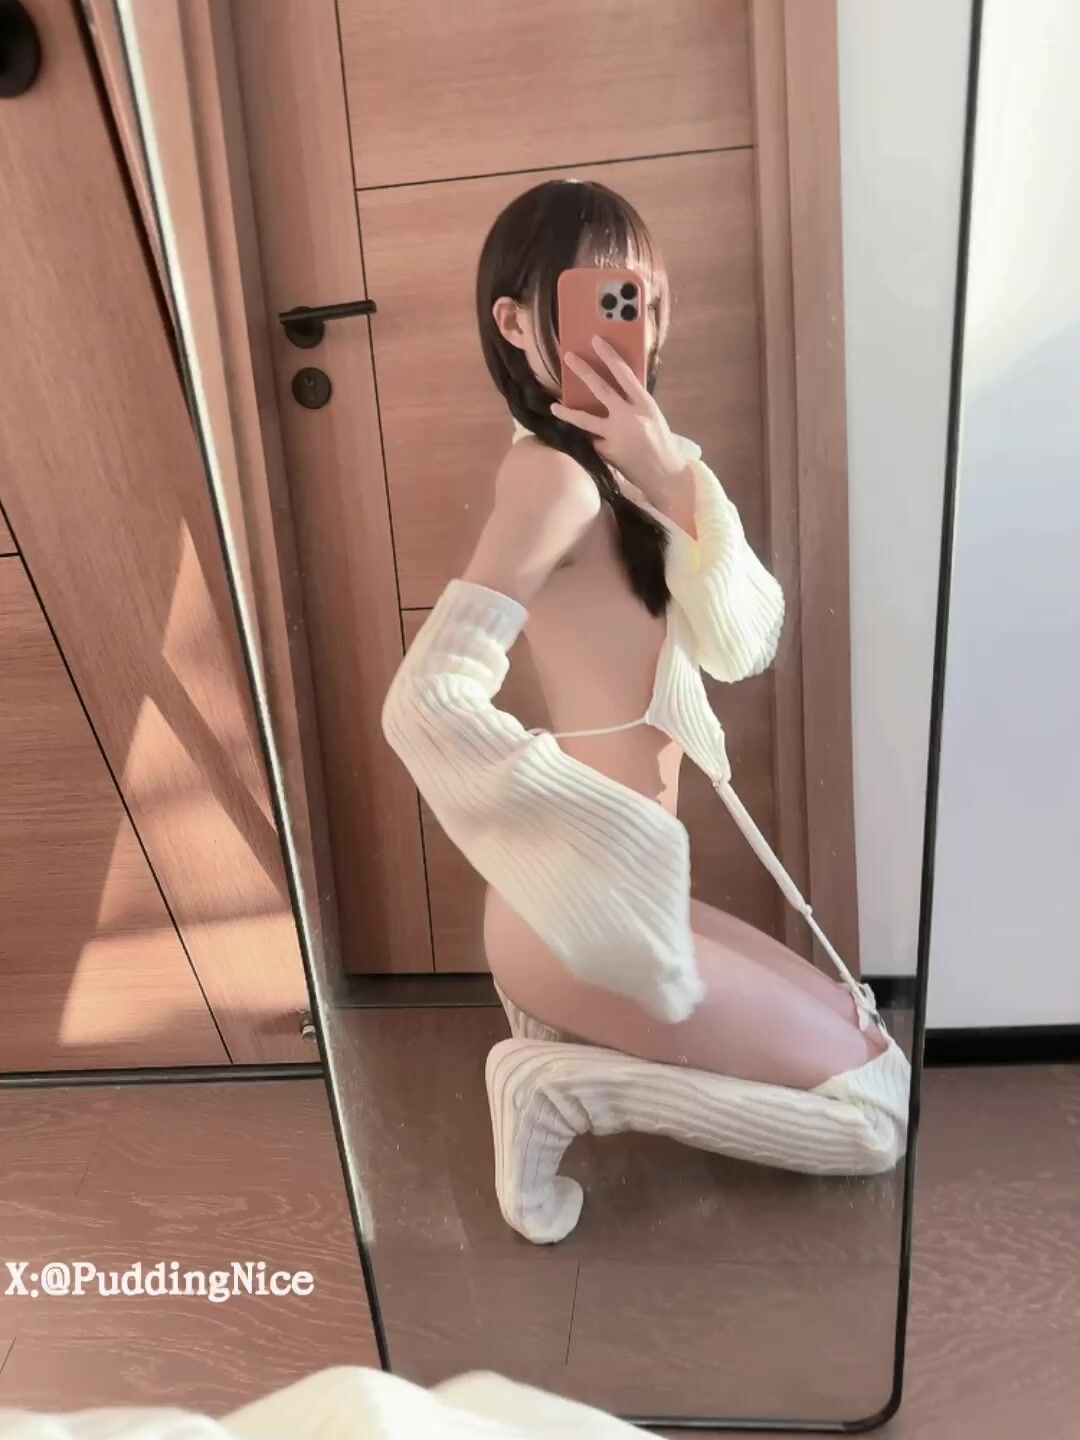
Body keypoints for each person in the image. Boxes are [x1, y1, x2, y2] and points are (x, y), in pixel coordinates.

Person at [383, 179, 892, 1096]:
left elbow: (744, 644)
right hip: (579, 904)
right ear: (513, 322)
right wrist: (605, 827)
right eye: (605, 299)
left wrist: (670, 474)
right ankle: (554, 1094)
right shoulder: (552, 482)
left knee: (870, 1045)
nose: (637, 326)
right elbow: (426, 702)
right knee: (870, 1109)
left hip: (629, 892)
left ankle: (552, 1080)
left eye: (645, 301)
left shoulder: (637, 474)